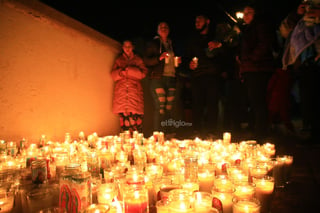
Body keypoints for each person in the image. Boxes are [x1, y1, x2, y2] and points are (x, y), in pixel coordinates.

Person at [236, 4, 276, 142]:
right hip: (250, 68)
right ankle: (257, 129)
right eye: (244, 13)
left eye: (249, 13)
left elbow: (264, 44)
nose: (246, 15)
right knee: (254, 100)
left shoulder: (259, 26)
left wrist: (251, 58)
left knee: (258, 100)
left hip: (258, 69)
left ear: (256, 14)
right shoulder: (247, 29)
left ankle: (261, 132)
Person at [282, 2, 320, 145]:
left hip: (316, 63)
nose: (310, 9)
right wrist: (296, 14)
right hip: (305, 65)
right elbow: (285, 31)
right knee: (309, 101)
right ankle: (314, 133)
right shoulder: (301, 22)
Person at [183, 14, 227, 138]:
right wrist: (189, 64)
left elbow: (225, 55)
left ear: (207, 21)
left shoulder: (216, 37)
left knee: (212, 104)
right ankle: (196, 131)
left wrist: (219, 46)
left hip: (213, 76)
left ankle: (211, 132)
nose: (197, 22)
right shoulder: (192, 39)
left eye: (200, 20)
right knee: (197, 104)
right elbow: (187, 57)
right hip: (197, 76)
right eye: (196, 20)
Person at [143, 22, 181, 136]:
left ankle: (167, 133)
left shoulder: (172, 44)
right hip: (158, 78)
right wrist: (159, 58)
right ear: (158, 30)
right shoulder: (153, 43)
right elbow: (146, 60)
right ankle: (157, 135)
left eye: (166, 27)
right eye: (161, 27)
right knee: (160, 107)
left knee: (169, 107)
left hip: (171, 78)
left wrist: (178, 62)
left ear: (169, 30)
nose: (164, 29)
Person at [111, 40, 148, 135]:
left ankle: (137, 145)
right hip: (122, 95)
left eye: (129, 47)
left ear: (133, 48)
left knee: (136, 122)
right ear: (123, 48)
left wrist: (129, 71)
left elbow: (143, 73)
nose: (127, 49)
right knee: (125, 123)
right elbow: (113, 75)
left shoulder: (138, 60)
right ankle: (126, 146)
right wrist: (121, 72)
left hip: (134, 93)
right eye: (125, 47)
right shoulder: (119, 60)